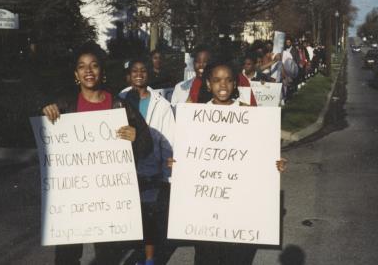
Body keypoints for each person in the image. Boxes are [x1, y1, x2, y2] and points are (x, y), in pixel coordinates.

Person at [41, 42, 153, 265]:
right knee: (66, 255)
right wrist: (44, 111)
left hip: (108, 195)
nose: (88, 71)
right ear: (76, 74)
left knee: (108, 255)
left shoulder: (119, 105)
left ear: (102, 71)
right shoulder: (64, 104)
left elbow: (147, 145)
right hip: (73, 193)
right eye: (82, 67)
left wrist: (135, 137)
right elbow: (45, 138)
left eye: (94, 66)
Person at [171, 61, 286, 265]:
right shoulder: (196, 116)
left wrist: (274, 165)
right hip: (206, 213)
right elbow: (189, 154)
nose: (222, 85)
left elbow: (261, 152)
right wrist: (178, 163)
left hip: (238, 212)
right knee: (206, 258)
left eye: (228, 80)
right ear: (208, 84)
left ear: (235, 84)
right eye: (216, 80)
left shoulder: (248, 114)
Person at [119, 59, 175, 265]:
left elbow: (169, 140)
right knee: (130, 217)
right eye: (134, 71)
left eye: (143, 70)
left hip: (151, 170)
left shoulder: (162, 105)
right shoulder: (120, 99)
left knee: (149, 218)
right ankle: (133, 256)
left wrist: (167, 174)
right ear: (128, 75)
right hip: (125, 168)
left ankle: (149, 260)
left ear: (149, 75)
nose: (139, 74)